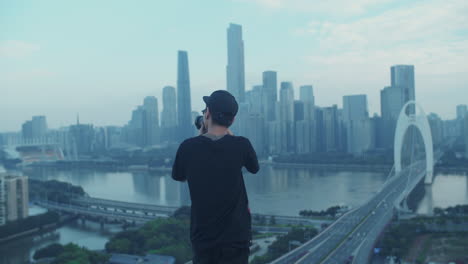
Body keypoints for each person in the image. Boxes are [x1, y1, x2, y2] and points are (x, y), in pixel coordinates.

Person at [172, 90, 259, 264]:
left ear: (208, 113)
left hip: (203, 239)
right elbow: (254, 168)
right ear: (232, 120)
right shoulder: (242, 145)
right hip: (237, 238)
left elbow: (179, 176)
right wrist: (229, 136)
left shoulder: (187, 147)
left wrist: (202, 135)